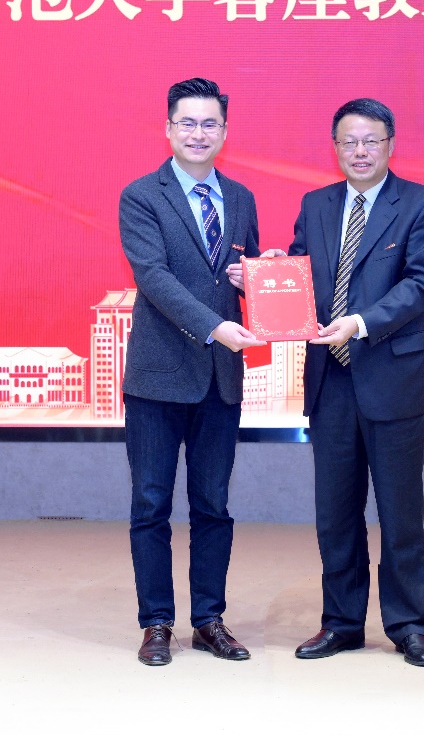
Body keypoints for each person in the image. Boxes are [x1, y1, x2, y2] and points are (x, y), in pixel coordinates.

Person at [289, 97, 424, 667]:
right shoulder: (316, 204)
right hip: (330, 380)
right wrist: (262, 276)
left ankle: (409, 624)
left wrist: (359, 323)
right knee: (335, 514)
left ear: (390, 145)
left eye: (371, 140)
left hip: (392, 376)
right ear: (335, 147)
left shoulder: (423, 204)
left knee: (400, 512)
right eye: (349, 141)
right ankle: (341, 623)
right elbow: (300, 275)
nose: (359, 151)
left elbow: (420, 283)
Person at [118, 77, 264, 666]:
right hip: (158, 376)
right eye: (187, 123)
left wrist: (259, 278)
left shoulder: (242, 198)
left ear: (224, 132)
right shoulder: (141, 195)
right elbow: (152, 277)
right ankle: (156, 622)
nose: (198, 133)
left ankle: (209, 620)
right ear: (168, 128)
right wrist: (215, 325)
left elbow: (245, 272)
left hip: (220, 379)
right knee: (151, 504)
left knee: (213, 506)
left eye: (209, 124)